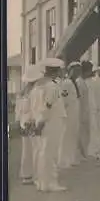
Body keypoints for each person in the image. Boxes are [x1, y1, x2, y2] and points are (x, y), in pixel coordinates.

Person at [32, 58, 68, 192]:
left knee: (44, 152)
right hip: (51, 121)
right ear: (55, 70)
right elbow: (47, 106)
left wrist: (39, 120)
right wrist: (41, 121)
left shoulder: (40, 84)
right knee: (50, 153)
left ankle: (43, 182)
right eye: (59, 70)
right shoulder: (52, 86)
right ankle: (51, 182)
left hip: (45, 120)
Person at [15, 65, 42, 185]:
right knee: (35, 148)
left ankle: (26, 173)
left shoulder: (22, 93)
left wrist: (19, 121)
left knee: (27, 149)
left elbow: (18, 111)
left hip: (24, 122)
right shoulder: (35, 92)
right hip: (31, 122)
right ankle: (35, 174)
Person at [58, 62, 82, 169]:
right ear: (70, 70)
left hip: (74, 113)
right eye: (75, 70)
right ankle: (63, 160)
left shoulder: (74, 82)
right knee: (66, 137)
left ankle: (71, 158)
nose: (77, 73)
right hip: (68, 113)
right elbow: (63, 99)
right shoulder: (66, 83)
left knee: (73, 135)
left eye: (79, 71)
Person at [86, 65, 100, 159]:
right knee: (95, 130)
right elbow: (93, 97)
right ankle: (94, 150)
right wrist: (96, 108)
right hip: (95, 109)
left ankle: (99, 147)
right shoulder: (93, 82)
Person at [76, 61, 91, 162]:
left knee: (85, 134)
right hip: (80, 112)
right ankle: (81, 154)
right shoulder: (79, 82)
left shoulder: (83, 81)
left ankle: (84, 153)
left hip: (85, 111)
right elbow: (79, 99)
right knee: (81, 135)